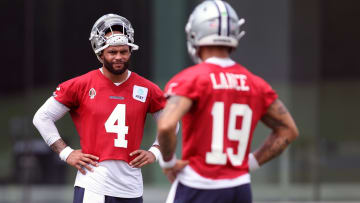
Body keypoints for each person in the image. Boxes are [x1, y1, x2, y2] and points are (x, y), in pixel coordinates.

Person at [157, 1, 299, 203]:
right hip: (239, 188)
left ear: (196, 33)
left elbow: (166, 125)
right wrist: (249, 163)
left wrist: (168, 162)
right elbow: (289, 130)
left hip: (198, 185)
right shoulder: (256, 84)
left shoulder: (191, 79)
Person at [33, 14, 165, 203]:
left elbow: (170, 122)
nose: (119, 57)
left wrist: (156, 151)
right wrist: (66, 153)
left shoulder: (147, 88)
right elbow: (42, 117)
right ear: (100, 53)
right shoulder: (81, 85)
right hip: (93, 186)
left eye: (124, 51)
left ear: (130, 51)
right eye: (112, 52)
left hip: (132, 187)